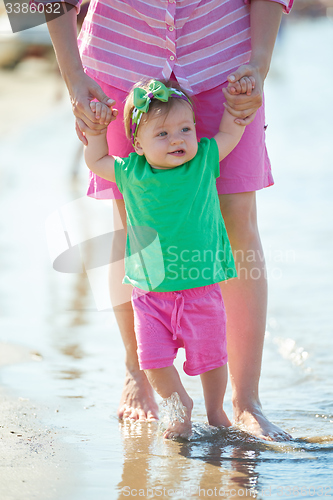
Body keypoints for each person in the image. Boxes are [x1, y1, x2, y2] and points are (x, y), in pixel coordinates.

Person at [46, 0, 293, 440]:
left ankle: (246, 401)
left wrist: (260, 61)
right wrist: (72, 77)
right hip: (119, 57)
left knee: (237, 221)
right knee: (133, 226)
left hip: (224, 58)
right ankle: (138, 372)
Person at [84, 79, 251, 438]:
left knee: (212, 360)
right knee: (154, 362)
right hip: (149, 294)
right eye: (162, 134)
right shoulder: (131, 172)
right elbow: (97, 159)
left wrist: (238, 103)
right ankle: (178, 407)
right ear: (138, 145)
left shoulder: (203, 160)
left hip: (201, 289)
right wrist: (98, 130)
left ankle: (215, 409)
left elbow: (230, 133)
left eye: (185, 129)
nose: (177, 139)